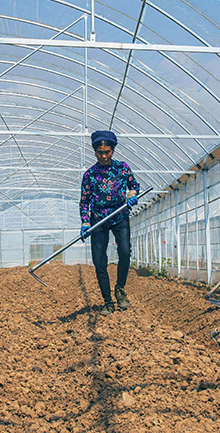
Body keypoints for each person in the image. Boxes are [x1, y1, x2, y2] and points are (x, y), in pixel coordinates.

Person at [80, 130, 140, 316]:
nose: (104, 156)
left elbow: (134, 186)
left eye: (107, 152)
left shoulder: (122, 168)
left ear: (113, 150)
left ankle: (120, 289)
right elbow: (84, 201)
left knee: (124, 252)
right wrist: (85, 222)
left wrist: (132, 196)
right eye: (100, 152)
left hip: (120, 216)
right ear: (95, 152)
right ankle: (107, 301)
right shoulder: (89, 174)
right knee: (99, 261)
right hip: (98, 220)